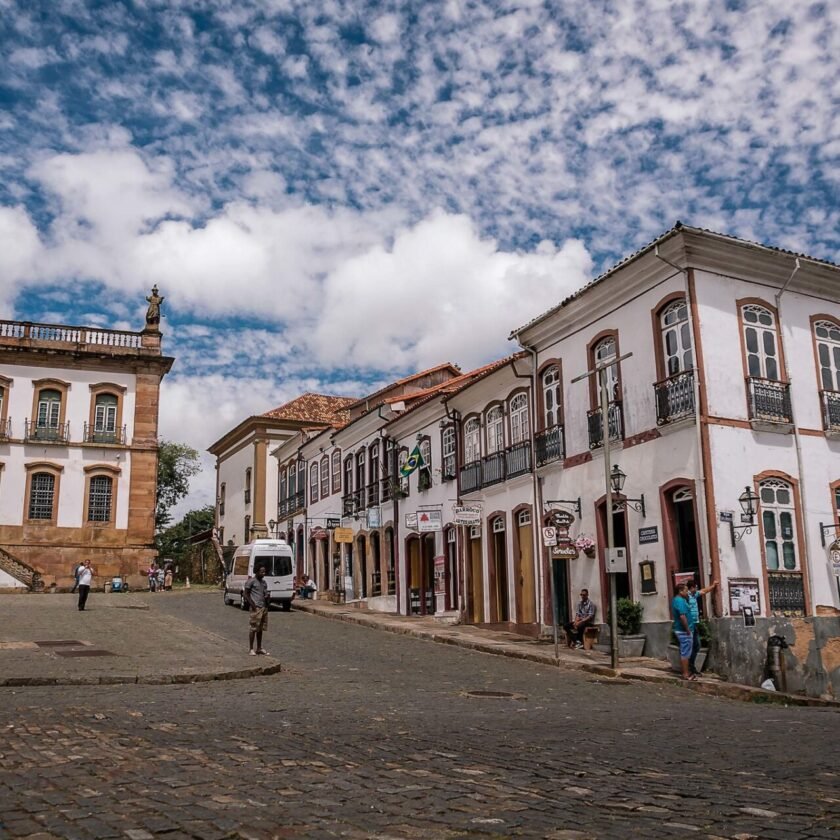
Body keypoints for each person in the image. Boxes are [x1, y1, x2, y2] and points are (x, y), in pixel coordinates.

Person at [686, 578, 718, 674]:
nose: (697, 589)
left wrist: (713, 586)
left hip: (695, 624)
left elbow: (704, 591)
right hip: (689, 624)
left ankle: (691, 665)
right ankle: (688, 667)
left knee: (697, 645)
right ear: (691, 588)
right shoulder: (686, 597)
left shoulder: (694, 595)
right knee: (690, 646)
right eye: (695, 587)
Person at [244, 565, 270, 656]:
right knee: (253, 628)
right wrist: (252, 605)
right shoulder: (251, 582)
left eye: (264, 572)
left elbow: (265, 593)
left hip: (263, 607)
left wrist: (267, 598)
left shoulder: (264, 583)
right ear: (257, 572)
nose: (264, 574)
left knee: (260, 629)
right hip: (256, 607)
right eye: (262, 572)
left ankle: (259, 647)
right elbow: (246, 594)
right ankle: (251, 648)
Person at [672, 582, 695, 680]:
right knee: (685, 652)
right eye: (686, 591)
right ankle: (686, 674)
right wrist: (687, 629)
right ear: (680, 591)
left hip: (682, 630)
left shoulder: (678, 600)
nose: (687, 592)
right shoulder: (680, 601)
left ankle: (687, 671)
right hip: (683, 631)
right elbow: (682, 616)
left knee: (686, 651)